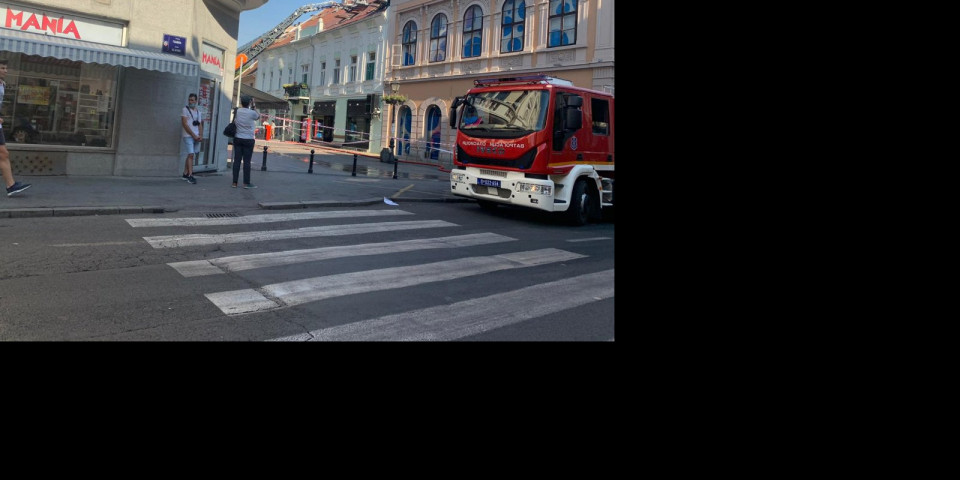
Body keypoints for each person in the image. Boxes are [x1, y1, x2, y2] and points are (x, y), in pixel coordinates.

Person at [0, 59, 32, 197]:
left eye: (6, 68)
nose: (5, 70)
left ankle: (11, 186)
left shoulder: (3, 84)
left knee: (3, 154)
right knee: (3, 154)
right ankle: (11, 186)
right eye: (2, 68)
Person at [231, 95, 259, 189]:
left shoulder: (237, 111)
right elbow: (258, 116)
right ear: (249, 103)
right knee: (247, 162)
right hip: (248, 140)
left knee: (237, 161)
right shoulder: (252, 113)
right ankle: (246, 183)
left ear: (241, 102)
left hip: (238, 138)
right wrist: (254, 106)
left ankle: (234, 183)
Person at [180, 93, 203, 184]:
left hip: (196, 136)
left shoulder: (198, 112)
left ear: (196, 101)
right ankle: (190, 175)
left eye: (193, 100)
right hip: (188, 136)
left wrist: (200, 135)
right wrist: (193, 135)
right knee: (191, 154)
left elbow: (200, 124)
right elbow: (185, 124)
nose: (191, 102)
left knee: (191, 154)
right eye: (190, 100)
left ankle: (185, 173)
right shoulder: (185, 110)